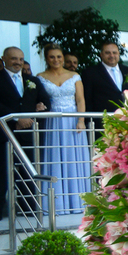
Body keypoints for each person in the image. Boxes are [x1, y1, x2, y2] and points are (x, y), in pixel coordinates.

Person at [0, 46, 51, 221]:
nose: (17, 62)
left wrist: (38, 110)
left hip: (28, 133)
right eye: (13, 58)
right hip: (4, 132)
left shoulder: (32, 80)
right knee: (1, 171)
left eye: (20, 59)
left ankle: (28, 208)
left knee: (28, 170)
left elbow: (45, 101)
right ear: (4, 59)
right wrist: (16, 118)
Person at [35, 44, 91, 215]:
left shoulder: (74, 76)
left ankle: (78, 201)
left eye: (59, 56)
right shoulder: (40, 77)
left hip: (73, 120)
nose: (56, 60)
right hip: (52, 121)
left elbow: (80, 100)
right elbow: (38, 98)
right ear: (46, 58)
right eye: (52, 57)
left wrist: (81, 120)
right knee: (54, 157)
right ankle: (57, 203)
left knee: (73, 157)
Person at [81, 41, 128, 114]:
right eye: (107, 53)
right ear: (101, 55)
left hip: (127, 117)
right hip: (103, 117)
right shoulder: (90, 73)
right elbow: (87, 99)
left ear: (119, 54)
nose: (111, 55)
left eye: (114, 53)